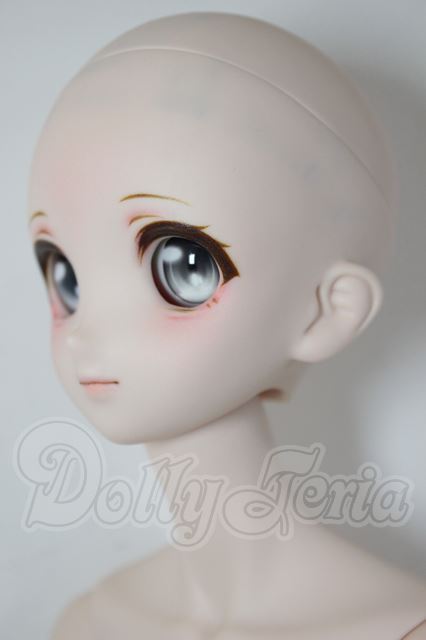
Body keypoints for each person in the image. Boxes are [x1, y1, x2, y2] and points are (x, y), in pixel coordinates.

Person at [28, 12, 426, 639]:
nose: (85, 334)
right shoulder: (87, 622)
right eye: (65, 274)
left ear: (326, 311)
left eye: (183, 267)